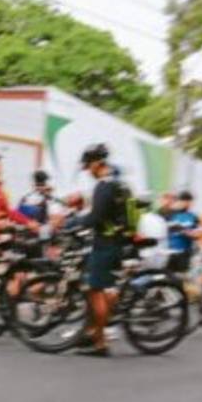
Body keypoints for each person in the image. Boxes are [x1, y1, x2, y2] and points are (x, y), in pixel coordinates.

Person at [78, 143, 126, 357]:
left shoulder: (103, 186)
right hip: (117, 242)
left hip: (105, 244)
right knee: (104, 289)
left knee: (95, 290)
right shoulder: (118, 183)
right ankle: (92, 332)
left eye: (88, 166)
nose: (88, 171)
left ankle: (99, 343)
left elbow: (96, 217)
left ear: (97, 163)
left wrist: (74, 223)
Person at [164, 190, 200, 273]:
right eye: (183, 201)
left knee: (182, 276)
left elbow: (198, 234)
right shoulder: (169, 214)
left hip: (184, 252)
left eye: (189, 201)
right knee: (167, 276)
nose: (187, 204)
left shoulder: (193, 216)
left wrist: (188, 233)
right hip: (169, 251)